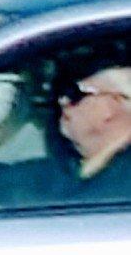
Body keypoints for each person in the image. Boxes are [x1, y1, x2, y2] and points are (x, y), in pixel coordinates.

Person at [53, 58, 131, 195]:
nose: (63, 101)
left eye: (76, 94)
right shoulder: (61, 171)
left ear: (113, 103)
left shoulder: (120, 184)